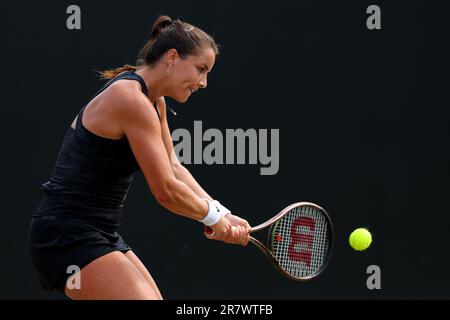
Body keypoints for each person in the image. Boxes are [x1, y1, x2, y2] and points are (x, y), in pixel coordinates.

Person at [29, 15, 251, 300]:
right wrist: (209, 217)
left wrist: (222, 213)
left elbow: (173, 166)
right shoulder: (130, 99)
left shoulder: (153, 102)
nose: (204, 82)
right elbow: (166, 190)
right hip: (65, 236)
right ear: (172, 57)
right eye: (200, 69)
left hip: (97, 232)